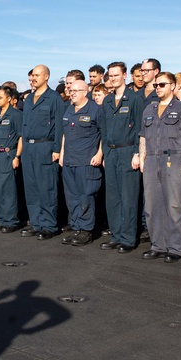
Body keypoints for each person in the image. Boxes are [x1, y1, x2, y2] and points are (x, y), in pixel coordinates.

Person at [139, 72, 181, 262]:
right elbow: (143, 136)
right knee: (153, 205)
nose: (158, 88)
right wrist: (142, 156)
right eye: (156, 85)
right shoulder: (149, 109)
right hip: (152, 159)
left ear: (173, 85)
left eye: (162, 84)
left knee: (174, 204)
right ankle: (158, 245)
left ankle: (175, 247)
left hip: (174, 158)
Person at [100, 61, 143, 254]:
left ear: (125, 75)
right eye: (110, 76)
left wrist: (137, 153)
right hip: (111, 152)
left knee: (129, 197)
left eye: (116, 75)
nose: (113, 78)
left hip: (127, 152)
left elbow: (140, 129)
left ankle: (128, 238)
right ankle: (116, 236)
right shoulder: (108, 102)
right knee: (113, 198)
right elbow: (104, 129)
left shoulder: (134, 99)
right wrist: (104, 153)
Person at [59, 79, 105, 246]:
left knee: (86, 196)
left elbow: (103, 134)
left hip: (86, 161)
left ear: (85, 92)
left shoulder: (95, 110)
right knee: (72, 197)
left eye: (76, 91)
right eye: (70, 91)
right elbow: (64, 133)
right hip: (70, 160)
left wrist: (100, 154)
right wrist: (63, 153)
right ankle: (77, 227)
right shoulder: (68, 109)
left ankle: (86, 230)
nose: (72, 93)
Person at [20, 65, 64, 240]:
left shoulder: (54, 98)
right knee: (31, 188)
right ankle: (36, 223)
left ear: (46, 77)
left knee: (47, 188)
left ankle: (48, 225)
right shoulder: (29, 98)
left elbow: (59, 126)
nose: (33, 78)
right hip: (29, 148)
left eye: (37, 75)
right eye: (32, 76)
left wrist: (56, 149)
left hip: (45, 146)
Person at [0, 86, 23, 233]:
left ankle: (11, 221)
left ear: (9, 98)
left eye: (0, 97)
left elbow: (21, 136)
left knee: (8, 189)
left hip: (8, 154)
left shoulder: (15, 115)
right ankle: (2, 218)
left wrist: (17, 156)